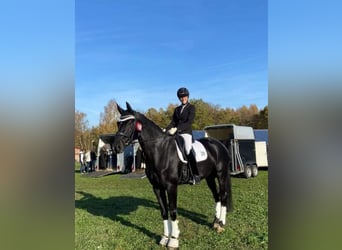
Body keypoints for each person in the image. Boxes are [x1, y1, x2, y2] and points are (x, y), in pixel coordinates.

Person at [165, 87, 200, 185]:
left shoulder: (191, 107)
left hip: (186, 133)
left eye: (184, 96)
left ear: (187, 97)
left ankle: (195, 174)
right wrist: (166, 129)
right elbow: (173, 122)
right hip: (176, 133)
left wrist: (178, 129)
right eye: (181, 97)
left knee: (188, 149)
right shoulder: (177, 109)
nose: (183, 98)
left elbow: (189, 122)